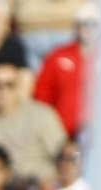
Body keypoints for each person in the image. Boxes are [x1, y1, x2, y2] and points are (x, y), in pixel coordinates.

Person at [0, 61, 68, 188]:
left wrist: (47, 179)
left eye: (9, 84)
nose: (1, 90)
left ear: (19, 87)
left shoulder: (43, 115)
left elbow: (68, 157)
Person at [32, 1, 97, 140]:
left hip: (97, 133)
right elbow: (42, 96)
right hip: (61, 134)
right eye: (84, 23)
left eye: (93, 24)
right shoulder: (58, 56)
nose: (88, 29)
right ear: (76, 26)